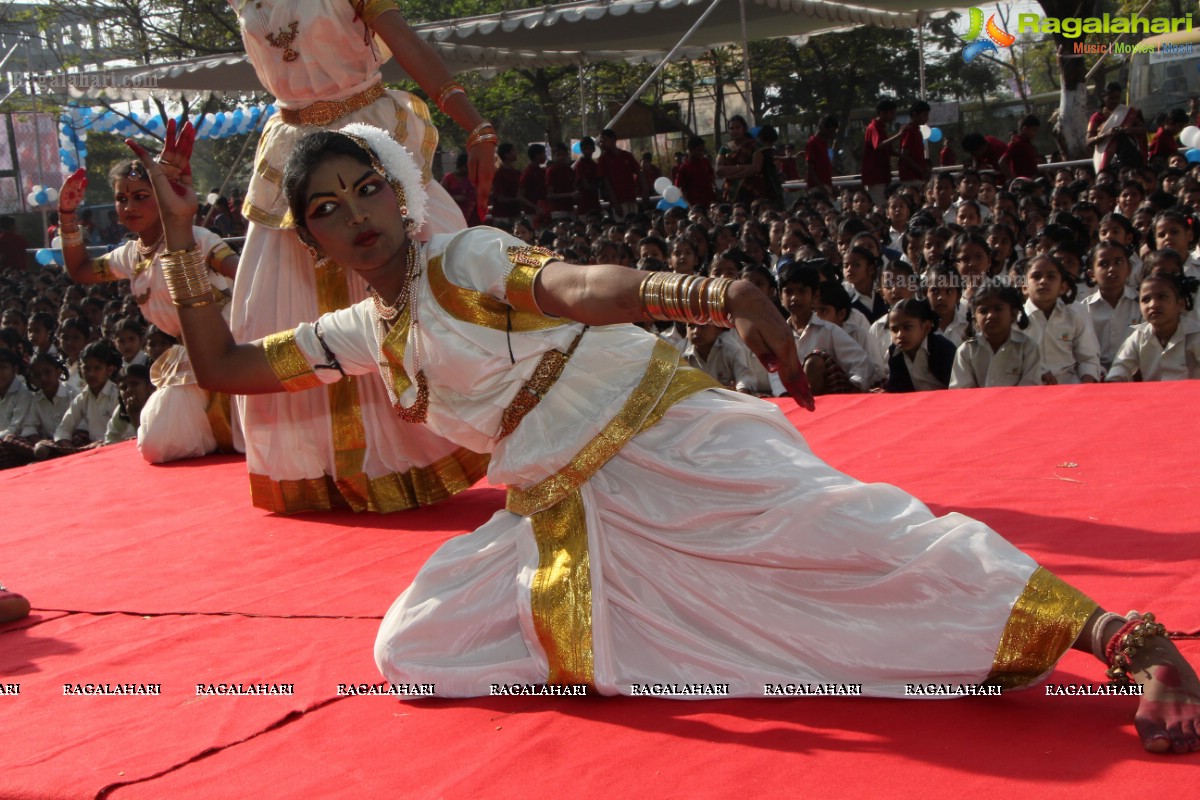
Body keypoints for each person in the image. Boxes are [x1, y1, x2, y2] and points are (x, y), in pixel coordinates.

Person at [133, 122, 1200, 753]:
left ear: (405, 197)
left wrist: (717, 289)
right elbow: (225, 367)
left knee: (859, 538)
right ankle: (683, 626)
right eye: (327, 206)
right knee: (412, 645)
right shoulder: (366, 326)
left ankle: (1121, 638)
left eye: (370, 187)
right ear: (310, 235)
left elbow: (578, 286)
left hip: (663, 439)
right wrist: (181, 235)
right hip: (561, 505)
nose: (356, 210)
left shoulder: (466, 260)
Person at [230, 0, 493, 513]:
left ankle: (426, 449)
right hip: (292, 152)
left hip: (365, 139)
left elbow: (408, 44)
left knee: (428, 293)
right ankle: (320, 468)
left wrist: (476, 124)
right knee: (276, 312)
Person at [57, 158, 239, 464]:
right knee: (157, 443)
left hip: (237, 346)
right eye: (121, 199)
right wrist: (65, 215)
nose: (129, 206)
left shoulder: (197, 238)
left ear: (163, 197)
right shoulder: (130, 256)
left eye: (141, 197)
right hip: (191, 359)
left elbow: (246, 273)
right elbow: (79, 269)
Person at [32, 339, 120, 460]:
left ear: (109, 370)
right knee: (41, 449)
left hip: (115, 449)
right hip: (92, 448)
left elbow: (126, 434)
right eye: (87, 369)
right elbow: (63, 429)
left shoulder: (117, 395)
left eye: (97, 368)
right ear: (80, 369)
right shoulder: (82, 397)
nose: (91, 374)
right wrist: (70, 449)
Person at [1107, 270, 1200, 381]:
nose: (1153, 304)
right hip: (1152, 397)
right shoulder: (1138, 337)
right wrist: (1115, 382)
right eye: (1146, 299)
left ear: (1180, 304)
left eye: (1162, 297)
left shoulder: (1196, 336)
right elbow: (1121, 366)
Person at [950, 279, 1041, 388]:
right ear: (975, 319)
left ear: (1013, 314)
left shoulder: (1027, 348)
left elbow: (1030, 388)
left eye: (998, 309)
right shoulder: (966, 351)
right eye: (983, 311)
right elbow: (962, 392)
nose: (990, 316)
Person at [1081, 240, 1141, 370]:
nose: (1112, 269)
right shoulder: (1083, 309)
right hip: (1096, 374)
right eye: (1103, 264)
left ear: (1129, 269)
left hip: (1134, 373)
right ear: (1092, 275)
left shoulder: (1141, 304)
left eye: (1118, 262)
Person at [1087, 82, 1146, 173]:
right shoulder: (1097, 117)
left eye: (1117, 98)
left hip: (1129, 156)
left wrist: (1129, 130)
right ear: (1104, 97)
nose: (1114, 101)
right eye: (1111, 98)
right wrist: (1107, 134)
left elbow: (1142, 129)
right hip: (1106, 159)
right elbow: (1088, 141)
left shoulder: (1129, 112)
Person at [861, 99, 900, 209]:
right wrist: (898, 135)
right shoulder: (874, 127)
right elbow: (879, 145)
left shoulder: (881, 128)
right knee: (881, 207)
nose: (893, 116)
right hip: (875, 176)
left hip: (883, 176)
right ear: (882, 113)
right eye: (891, 112)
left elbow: (889, 150)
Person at [597, 129, 641, 220]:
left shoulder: (627, 155)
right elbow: (606, 183)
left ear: (613, 140)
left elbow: (639, 172)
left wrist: (643, 191)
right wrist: (615, 203)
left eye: (604, 140)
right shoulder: (603, 159)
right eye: (600, 141)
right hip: (618, 202)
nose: (601, 144)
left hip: (632, 199)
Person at [675, 136, 716, 209]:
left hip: (710, 202)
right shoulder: (684, 168)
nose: (702, 153)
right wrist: (690, 206)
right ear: (690, 150)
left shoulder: (705, 162)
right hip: (696, 205)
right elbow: (681, 190)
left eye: (703, 150)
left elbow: (712, 178)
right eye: (699, 150)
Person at [897, 101, 931, 186]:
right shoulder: (909, 130)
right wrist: (920, 170)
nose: (927, 118)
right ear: (915, 114)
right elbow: (904, 154)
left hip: (916, 176)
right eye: (925, 115)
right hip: (910, 177)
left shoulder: (916, 130)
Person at [441, 152, 478, 226]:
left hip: (470, 216)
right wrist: (455, 198)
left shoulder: (471, 179)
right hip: (452, 215)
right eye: (467, 167)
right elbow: (441, 196)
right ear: (461, 166)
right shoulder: (448, 178)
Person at [1000, 115, 1041, 181]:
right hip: (1023, 184)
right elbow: (1002, 162)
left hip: (1031, 181)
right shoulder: (1017, 143)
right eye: (1034, 130)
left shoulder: (1027, 144)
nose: (1035, 133)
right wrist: (1015, 180)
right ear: (1025, 129)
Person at [805, 115, 838, 197]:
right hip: (817, 188)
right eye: (831, 131)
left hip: (826, 186)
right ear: (823, 128)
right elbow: (809, 167)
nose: (832, 134)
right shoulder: (812, 143)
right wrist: (822, 188)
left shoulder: (824, 143)